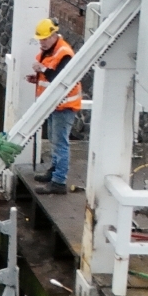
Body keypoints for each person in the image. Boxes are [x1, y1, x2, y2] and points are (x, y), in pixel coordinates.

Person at [28, 19, 84, 193]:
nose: (42, 43)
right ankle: (54, 171)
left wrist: (42, 70)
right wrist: (37, 78)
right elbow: (50, 78)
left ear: (54, 36)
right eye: (40, 39)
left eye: (45, 39)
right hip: (54, 105)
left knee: (60, 143)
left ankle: (59, 182)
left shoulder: (64, 53)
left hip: (64, 106)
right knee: (54, 140)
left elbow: (60, 78)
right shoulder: (51, 50)